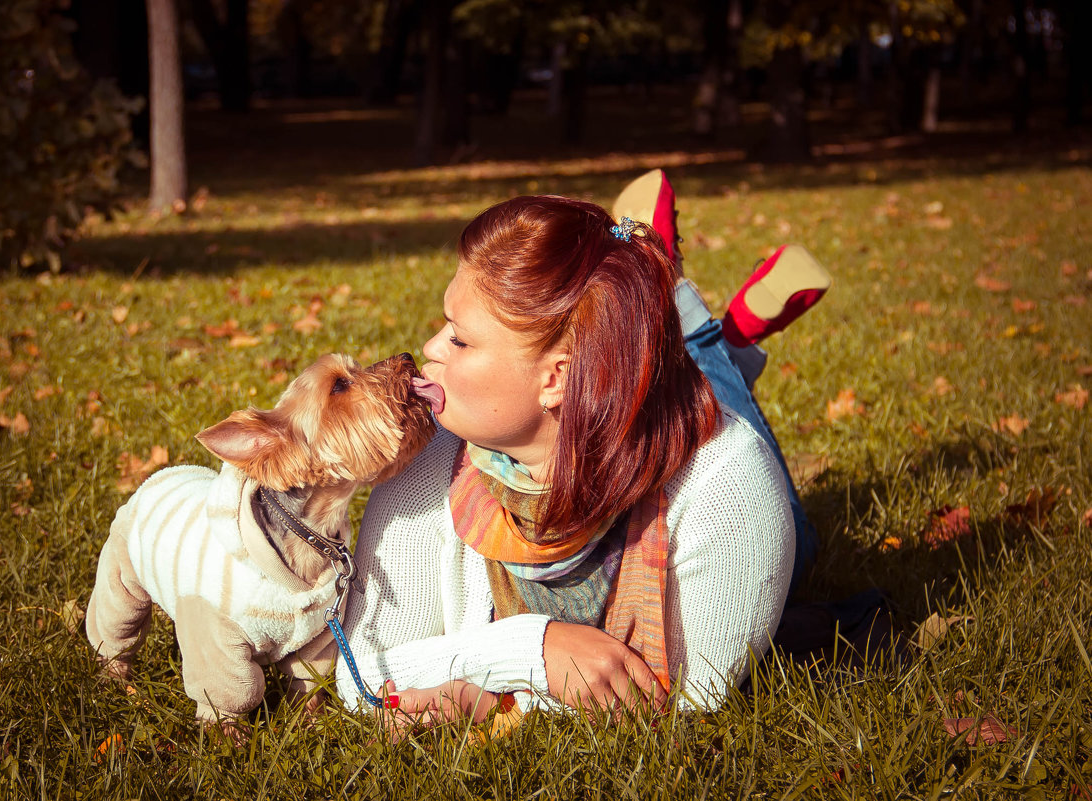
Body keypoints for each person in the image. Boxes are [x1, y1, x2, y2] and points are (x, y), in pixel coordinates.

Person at [336, 177, 829, 725]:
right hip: (610, 386)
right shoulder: (430, 459)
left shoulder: (727, 485)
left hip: (694, 436)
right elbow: (361, 672)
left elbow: (677, 706)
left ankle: (701, 328)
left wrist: (489, 693)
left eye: (460, 338)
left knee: (799, 538)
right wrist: (531, 650)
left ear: (556, 379)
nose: (428, 349)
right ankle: (668, 298)